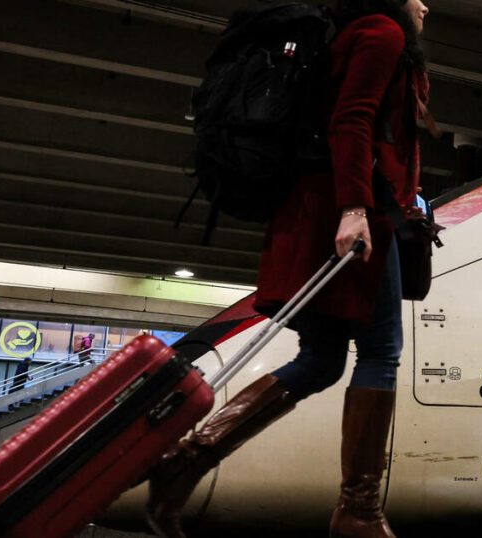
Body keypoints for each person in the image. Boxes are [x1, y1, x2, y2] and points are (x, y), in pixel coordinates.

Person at [145, 1, 430, 537]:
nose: (424, 5)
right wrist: (354, 210)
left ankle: (183, 465)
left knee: (322, 359)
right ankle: (359, 511)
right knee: (380, 351)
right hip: (347, 214)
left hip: (316, 211)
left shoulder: (356, 31)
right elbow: (351, 120)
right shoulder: (383, 31)